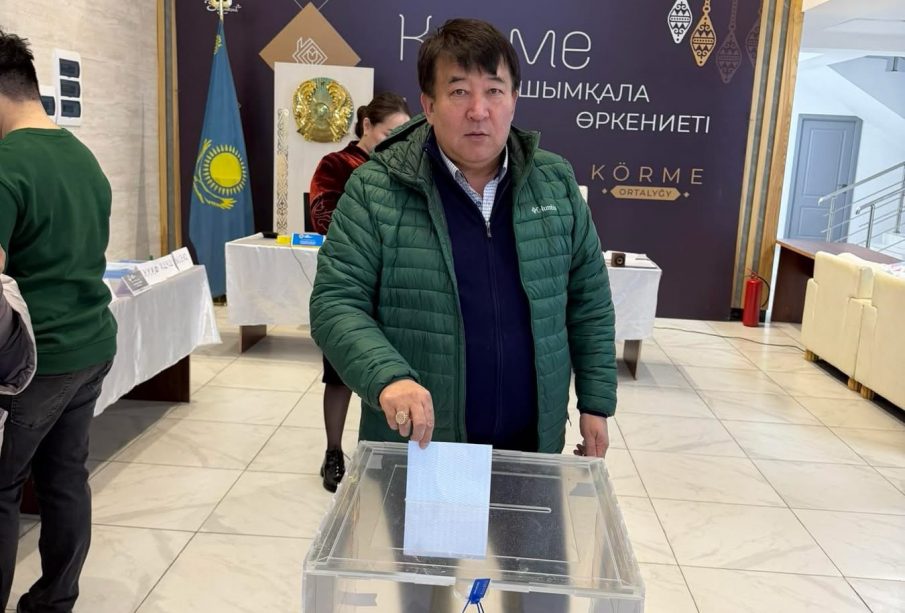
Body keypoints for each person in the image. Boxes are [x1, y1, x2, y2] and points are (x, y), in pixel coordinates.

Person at [310, 19, 616, 459]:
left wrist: (595, 403)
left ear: (514, 100)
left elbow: (589, 301)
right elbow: (336, 302)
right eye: (458, 91)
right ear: (429, 105)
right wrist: (388, 376)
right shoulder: (375, 189)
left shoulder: (555, 182)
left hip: (532, 446)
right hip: (421, 448)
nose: (478, 110)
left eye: (494, 90)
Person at [0, 30, 117, 613]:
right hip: (90, 344)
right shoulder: (81, 155)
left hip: (34, 363)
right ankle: (54, 601)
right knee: (65, 477)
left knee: (2, 487)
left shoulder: (6, 165)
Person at [309, 93, 410, 492]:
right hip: (352, 279)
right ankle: (333, 451)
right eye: (389, 133)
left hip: (397, 284)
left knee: (393, 371)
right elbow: (322, 216)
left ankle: (388, 454)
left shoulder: (405, 168)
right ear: (367, 125)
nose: (396, 142)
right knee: (339, 373)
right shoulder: (336, 164)